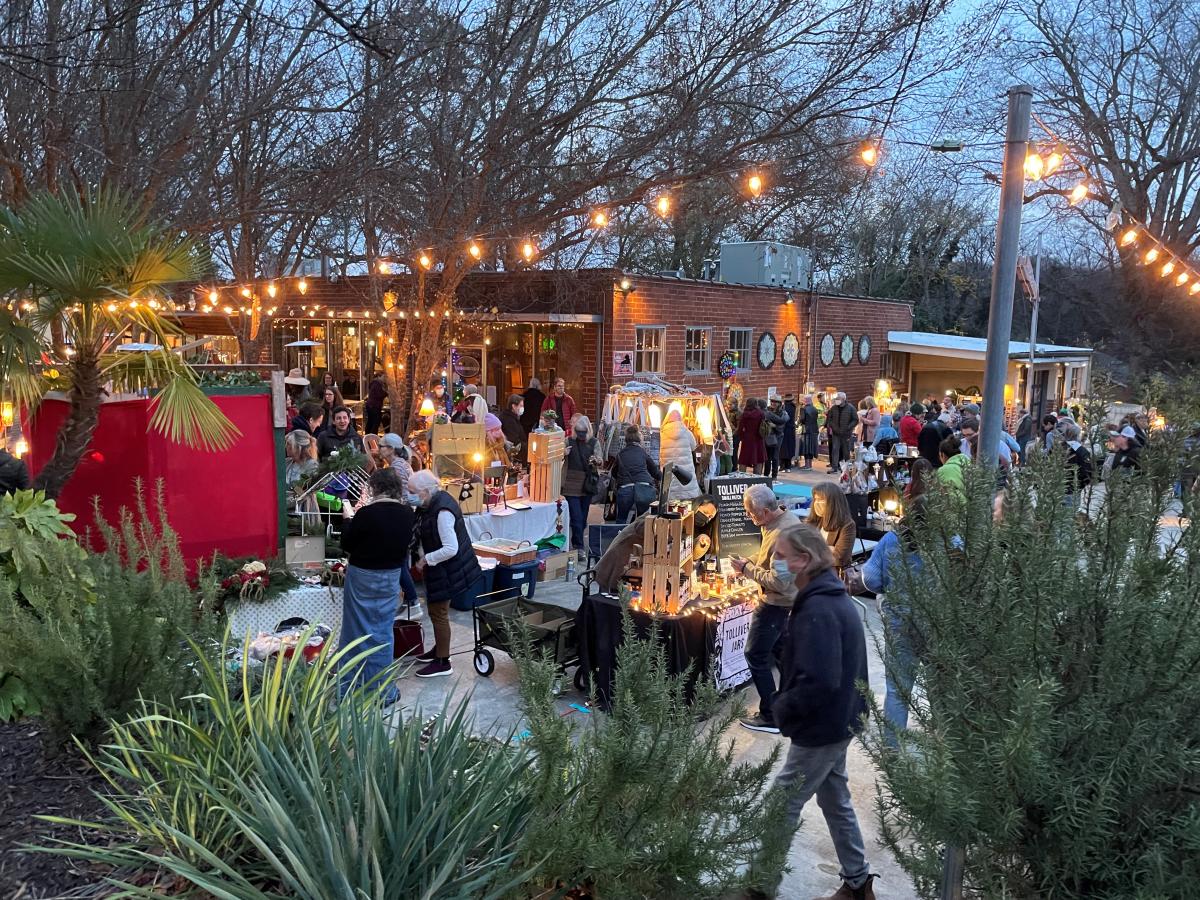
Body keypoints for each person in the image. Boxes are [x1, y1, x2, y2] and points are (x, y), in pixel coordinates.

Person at [766, 523, 875, 900]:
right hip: (840, 718)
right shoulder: (825, 597)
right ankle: (858, 882)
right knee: (834, 797)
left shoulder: (820, 608)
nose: (774, 562)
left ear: (805, 560)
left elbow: (819, 679)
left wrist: (782, 709)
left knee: (781, 804)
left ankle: (758, 887)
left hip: (825, 724)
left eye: (781, 556)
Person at [337, 467, 415, 705]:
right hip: (390, 575)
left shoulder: (366, 514)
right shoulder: (407, 513)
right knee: (382, 631)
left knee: (354, 630)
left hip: (363, 575)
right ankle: (384, 691)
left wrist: (347, 519)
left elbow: (347, 544)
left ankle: (349, 688)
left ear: (374, 488)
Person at [862, 481, 928, 750]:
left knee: (898, 689)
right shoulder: (952, 542)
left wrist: (886, 590)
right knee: (940, 689)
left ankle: (892, 748)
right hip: (937, 623)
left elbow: (871, 577)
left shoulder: (892, 540)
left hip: (900, 620)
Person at [731, 484, 801, 734]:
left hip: (775, 604)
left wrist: (746, 570)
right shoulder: (783, 521)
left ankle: (771, 715)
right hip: (786, 603)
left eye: (751, 514)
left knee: (756, 655)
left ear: (764, 511)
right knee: (782, 654)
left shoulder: (782, 534)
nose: (751, 519)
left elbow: (780, 582)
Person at [410, 469, 482, 678]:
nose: (409, 494)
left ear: (424, 491)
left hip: (447, 569)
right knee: (436, 612)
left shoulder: (442, 511)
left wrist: (426, 559)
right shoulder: (430, 504)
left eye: (412, 491)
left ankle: (443, 661)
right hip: (442, 569)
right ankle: (439, 650)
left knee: (439, 613)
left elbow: (451, 548)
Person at [563, 415, 600, 551]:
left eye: (583, 432)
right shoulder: (568, 441)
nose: (581, 435)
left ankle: (577, 542)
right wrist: (563, 453)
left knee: (583, 518)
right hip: (570, 484)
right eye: (579, 431)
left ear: (588, 430)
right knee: (577, 517)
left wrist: (596, 461)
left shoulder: (594, 442)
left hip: (587, 484)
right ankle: (579, 547)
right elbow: (557, 454)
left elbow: (600, 458)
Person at [610, 427, 661, 523]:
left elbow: (614, 473)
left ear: (626, 439)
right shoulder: (643, 453)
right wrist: (662, 477)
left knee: (621, 518)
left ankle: (621, 536)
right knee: (643, 520)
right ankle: (642, 536)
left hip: (625, 488)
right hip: (644, 488)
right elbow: (655, 471)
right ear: (639, 439)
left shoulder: (620, 454)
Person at [808, 482, 856, 574]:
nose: (817, 503)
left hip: (832, 577)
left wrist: (815, 549)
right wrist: (829, 549)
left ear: (833, 502)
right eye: (815, 499)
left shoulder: (847, 525)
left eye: (821, 500)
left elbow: (840, 558)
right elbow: (801, 548)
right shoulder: (813, 522)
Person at [659, 408, 701, 501]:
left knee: (669, 502)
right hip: (685, 475)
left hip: (668, 473)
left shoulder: (661, 433)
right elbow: (694, 447)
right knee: (687, 504)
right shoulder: (687, 432)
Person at [1061, 422, 1093, 512]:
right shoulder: (1081, 451)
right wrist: (1081, 485)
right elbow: (1087, 471)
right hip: (1073, 489)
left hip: (1057, 487)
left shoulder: (1058, 447)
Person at [824, 392, 857, 472]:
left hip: (846, 433)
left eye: (838, 399)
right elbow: (829, 418)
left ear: (843, 399)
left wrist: (848, 428)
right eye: (836, 399)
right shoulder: (833, 408)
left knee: (846, 451)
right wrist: (832, 426)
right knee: (835, 449)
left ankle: (846, 468)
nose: (837, 400)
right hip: (836, 433)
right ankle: (834, 467)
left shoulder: (851, 408)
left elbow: (855, 420)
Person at [736, 398, 767, 475]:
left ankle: (741, 476)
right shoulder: (761, 413)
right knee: (758, 458)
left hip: (747, 439)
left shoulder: (744, 414)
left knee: (743, 459)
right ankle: (757, 477)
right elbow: (763, 425)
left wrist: (741, 437)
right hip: (758, 438)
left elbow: (740, 428)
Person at [762, 397, 788, 480]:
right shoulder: (768, 410)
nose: (773, 403)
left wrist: (775, 426)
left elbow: (782, 424)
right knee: (767, 457)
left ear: (779, 403)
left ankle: (774, 475)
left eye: (775, 402)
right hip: (768, 435)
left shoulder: (782, 413)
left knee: (775, 456)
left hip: (778, 436)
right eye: (772, 401)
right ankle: (766, 474)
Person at [498, 393, 526, 458]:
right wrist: (526, 446)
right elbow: (514, 440)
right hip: (513, 453)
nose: (522, 408)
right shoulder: (509, 420)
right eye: (521, 406)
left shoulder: (513, 418)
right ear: (513, 406)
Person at [798, 394, 820, 470]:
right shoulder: (815, 409)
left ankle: (807, 465)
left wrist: (800, 421)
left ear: (805, 401)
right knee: (811, 448)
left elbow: (802, 420)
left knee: (806, 448)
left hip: (806, 430)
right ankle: (810, 465)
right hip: (814, 430)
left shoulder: (803, 409)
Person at [780, 394, 798, 471]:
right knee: (790, 447)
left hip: (784, 429)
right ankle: (788, 465)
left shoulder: (783, 407)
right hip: (791, 429)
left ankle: (782, 465)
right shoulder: (794, 407)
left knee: (783, 447)